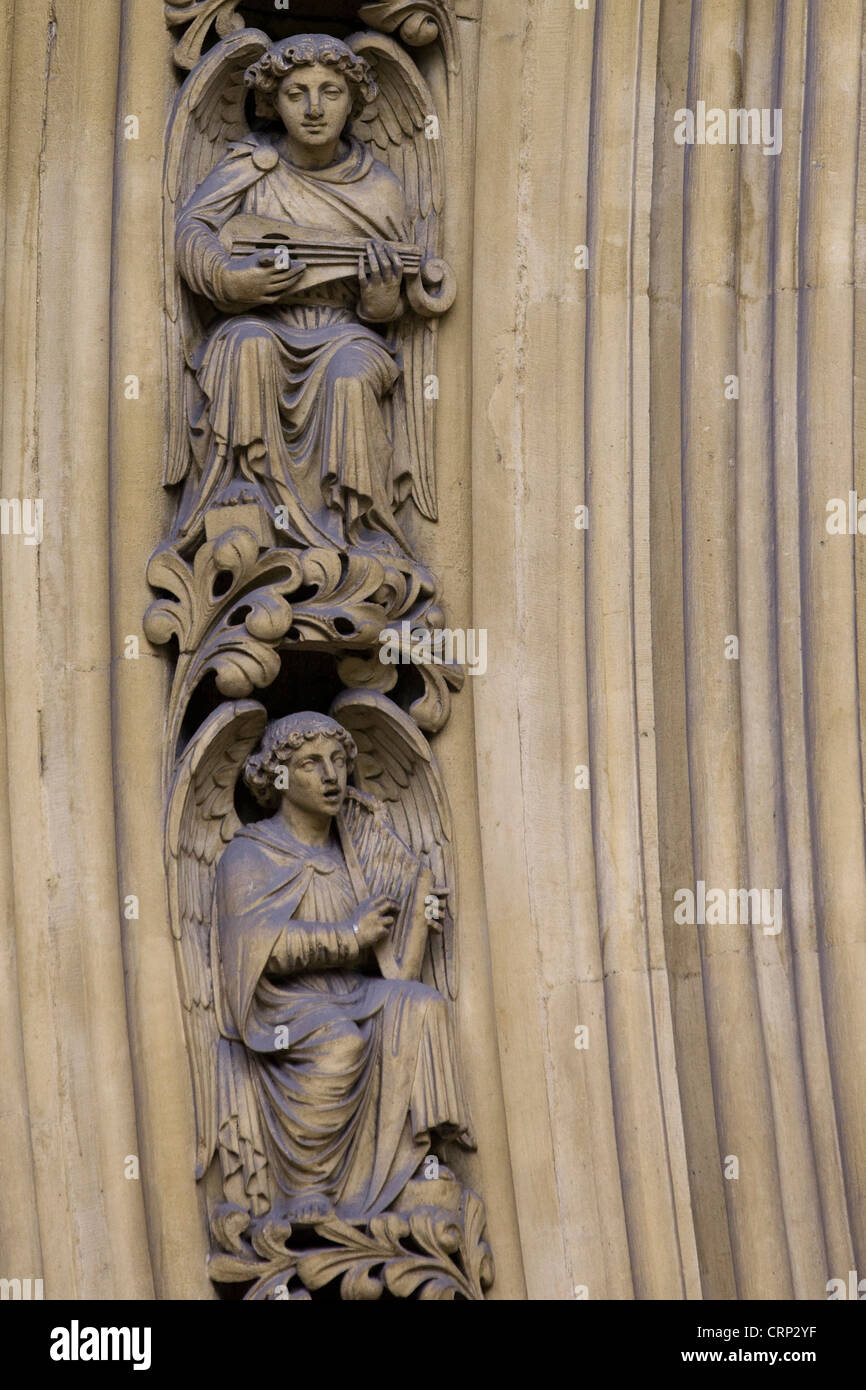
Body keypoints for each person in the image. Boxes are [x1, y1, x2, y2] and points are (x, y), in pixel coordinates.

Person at [213, 711, 473, 1226]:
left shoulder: (352, 850)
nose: (332, 775)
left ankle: (418, 1162)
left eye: (338, 761)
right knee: (340, 1042)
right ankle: (308, 1185)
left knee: (421, 1005)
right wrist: (349, 935)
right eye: (311, 763)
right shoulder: (249, 855)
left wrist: (416, 919)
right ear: (279, 777)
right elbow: (259, 949)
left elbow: (392, 971)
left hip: (351, 991)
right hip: (285, 1007)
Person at [174, 34, 416, 554]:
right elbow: (192, 230)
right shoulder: (251, 166)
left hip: (344, 330)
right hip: (261, 317)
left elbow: (386, 314)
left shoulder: (381, 189)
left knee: (351, 374)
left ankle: (357, 526)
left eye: (330, 92)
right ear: (271, 101)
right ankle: (243, 500)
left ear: (353, 102)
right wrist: (229, 280)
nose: (313, 108)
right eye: (296, 93)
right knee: (246, 344)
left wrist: (380, 296)